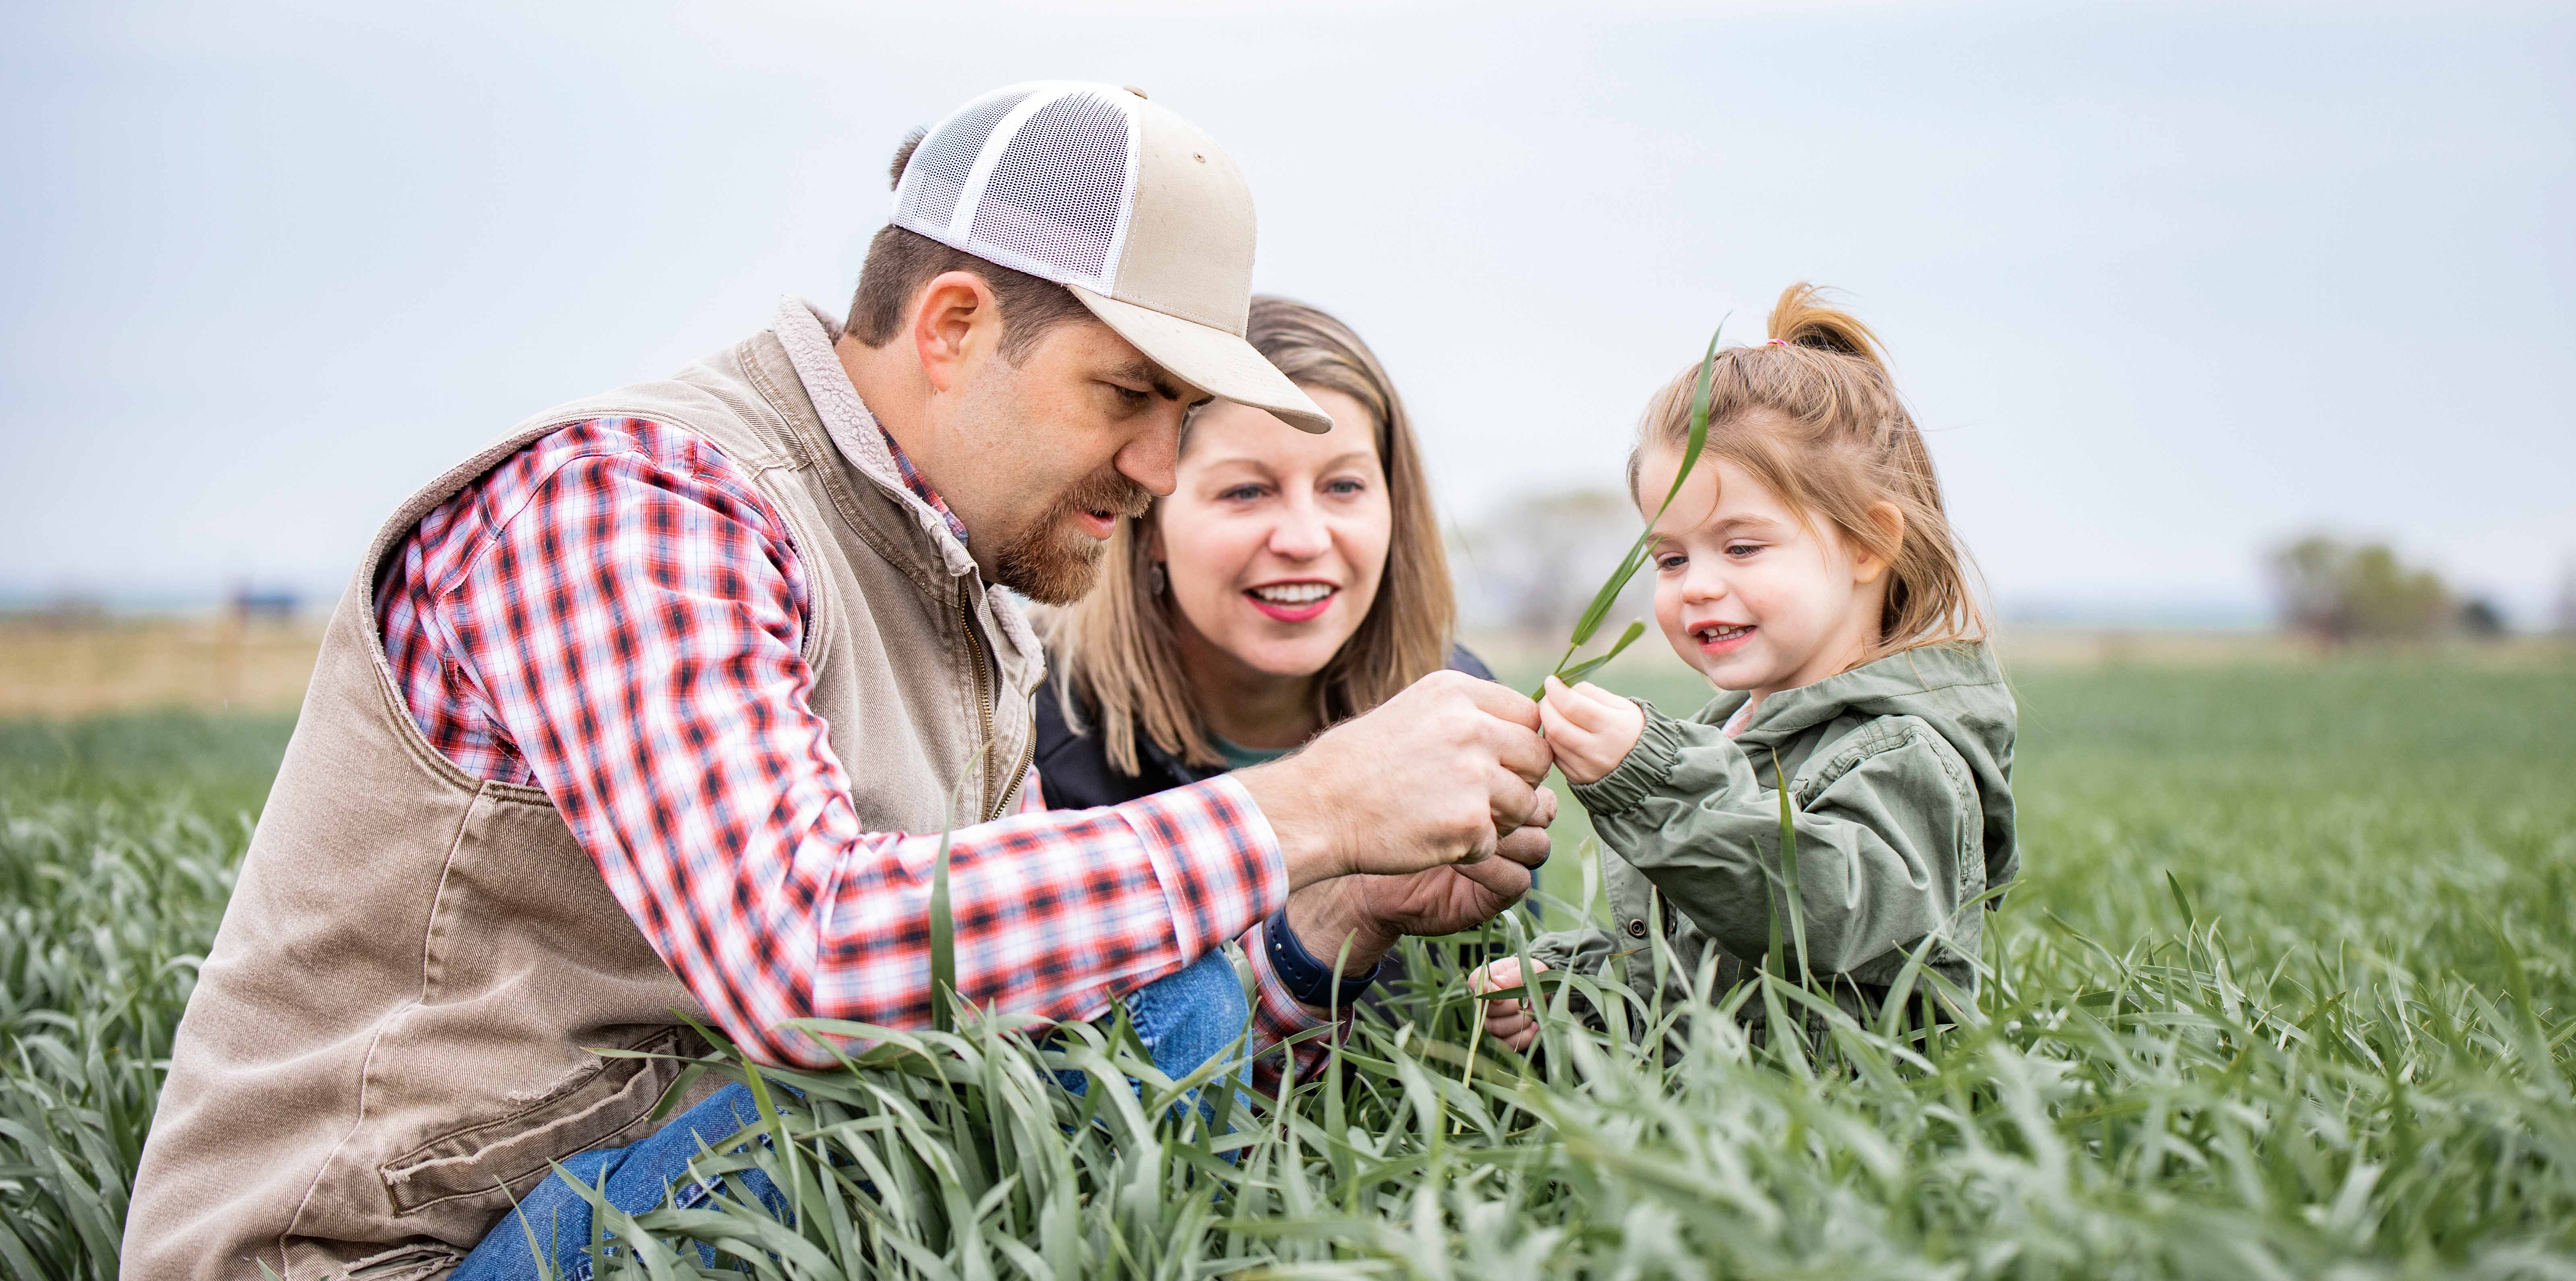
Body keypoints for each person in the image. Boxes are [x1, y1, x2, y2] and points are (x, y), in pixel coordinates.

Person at [125, 83, 1555, 1281]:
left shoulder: (963, 589)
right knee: (1119, 1010)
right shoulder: (637, 504)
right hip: (396, 1248)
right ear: (948, 328)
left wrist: (1331, 917)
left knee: (1135, 999)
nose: (1157, 468)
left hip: (631, 1175)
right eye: (1126, 398)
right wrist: (1302, 810)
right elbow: (805, 959)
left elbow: (1029, 999)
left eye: (1181, 417)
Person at [1474, 284, 2017, 1055]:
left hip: (1848, 1142)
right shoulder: (1727, 732)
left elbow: (1824, 911)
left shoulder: (1904, 753)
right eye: (1669, 557)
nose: (1696, 584)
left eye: (1741, 547)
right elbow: (1709, 966)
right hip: (1728, 1130)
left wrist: (1656, 782)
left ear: (1869, 542)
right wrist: (1578, 989)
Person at [1034, 295, 1495, 804]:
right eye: (1246, 492)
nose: (1304, 541)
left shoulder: (1463, 715)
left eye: (1344, 486)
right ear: (1150, 527)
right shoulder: (1027, 728)